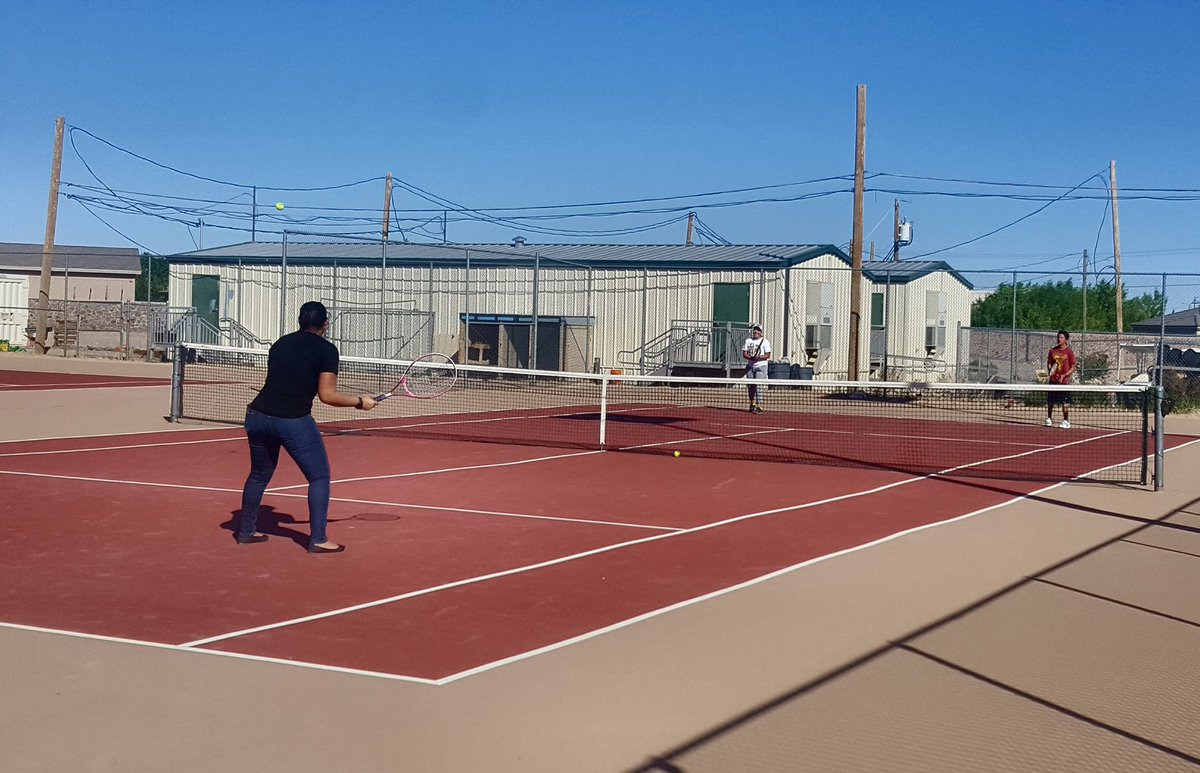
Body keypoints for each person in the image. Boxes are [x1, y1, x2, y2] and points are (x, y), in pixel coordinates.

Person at [237, 301, 378, 553]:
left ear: (300, 320)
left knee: (259, 475)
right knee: (319, 477)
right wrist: (360, 401)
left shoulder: (280, 344)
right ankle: (319, 539)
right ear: (325, 323)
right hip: (291, 420)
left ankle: (246, 531)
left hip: (257, 415)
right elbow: (327, 395)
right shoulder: (326, 350)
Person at [1046, 329, 1076, 429]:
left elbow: (1073, 367)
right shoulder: (1052, 351)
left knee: (1065, 402)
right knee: (1050, 401)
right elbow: (1049, 363)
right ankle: (1049, 418)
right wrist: (1050, 370)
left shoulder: (1069, 352)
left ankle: (1066, 421)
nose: (1059, 339)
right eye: (1058, 337)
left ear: (1066, 340)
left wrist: (1064, 375)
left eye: (1061, 337)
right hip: (1053, 380)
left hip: (1064, 382)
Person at [742, 324, 772, 413]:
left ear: (761, 332)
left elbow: (768, 355)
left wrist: (759, 357)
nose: (756, 332)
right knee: (751, 386)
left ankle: (760, 406)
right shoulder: (748, 341)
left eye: (758, 330)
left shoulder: (765, 342)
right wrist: (750, 357)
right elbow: (744, 353)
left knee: (758, 386)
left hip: (761, 366)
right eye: (754, 330)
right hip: (750, 367)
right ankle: (752, 404)